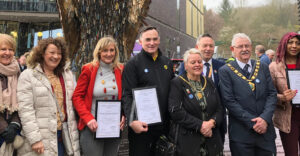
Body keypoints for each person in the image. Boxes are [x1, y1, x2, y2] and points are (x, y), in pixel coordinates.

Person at [17, 37, 80, 156]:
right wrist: (35, 139)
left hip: (64, 136)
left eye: (59, 53)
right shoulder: (28, 76)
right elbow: (26, 110)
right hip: (41, 138)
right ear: (42, 53)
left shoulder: (67, 75)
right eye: (52, 52)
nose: (56, 56)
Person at [219, 33, 277, 156]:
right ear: (232, 49)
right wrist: (254, 123)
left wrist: (265, 119)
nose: (244, 49)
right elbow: (229, 101)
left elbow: (272, 94)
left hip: (266, 132)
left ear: (251, 47)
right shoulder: (225, 71)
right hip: (241, 135)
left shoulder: (262, 66)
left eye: (247, 46)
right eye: (240, 46)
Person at [122, 26, 174, 156]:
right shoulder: (132, 64)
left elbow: (173, 91)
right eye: (148, 39)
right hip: (142, 127)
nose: (152, 43)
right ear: (140, 42)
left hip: (165, 127)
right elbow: (127, 94)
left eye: (155, 39)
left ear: (159, 40)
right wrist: (132, 121)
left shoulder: (167, 63)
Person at [72, 36, 125, 156]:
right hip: (92, 127)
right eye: (105, 50)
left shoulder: (120, 69)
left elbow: (124, 96)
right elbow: (77, 97)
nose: (109, 54)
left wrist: (123, 115)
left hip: (112, 126)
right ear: (99, 52)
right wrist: (88, 118)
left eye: (112, 50)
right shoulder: (89, 69)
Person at [168, 48, 223, 155]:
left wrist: (211, 123)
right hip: (189, 142)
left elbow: (219, 108)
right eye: (193, 62)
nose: (197, 65)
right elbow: (176, 111)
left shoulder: (209, 82)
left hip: (212, 140)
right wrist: (201, 125)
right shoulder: (177, 83)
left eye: (199, 61)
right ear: (186, 65)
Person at [179, 33, 226, 142]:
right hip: (194, 124)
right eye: (204, 46)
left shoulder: (222, 67)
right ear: (197, 47)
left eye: (211, 46)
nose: (208, 49)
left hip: (217, 123)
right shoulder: (186, 66)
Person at [269, 32, 300, 156]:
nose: (294, 46)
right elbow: (268, 94)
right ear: (284, 44)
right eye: (290, 42)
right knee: (291, 153)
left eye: (298, 43)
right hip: (288, 118)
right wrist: (282, 97)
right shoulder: (274, 67)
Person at [0, 33, 21, 155]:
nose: (7, 53)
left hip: (14, 131)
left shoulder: (19, 72)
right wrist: (4, 129)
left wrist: (14, 124)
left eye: (11, 49)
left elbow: (24, 100)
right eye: (3, 49)